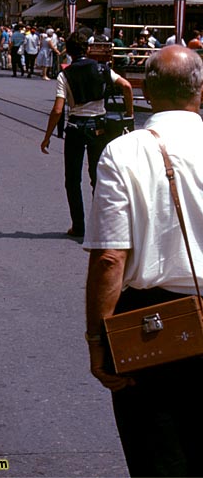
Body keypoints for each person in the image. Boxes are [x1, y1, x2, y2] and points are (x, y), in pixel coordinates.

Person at [84, 46, 203, 478]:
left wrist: (98, 342)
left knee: (159, 456)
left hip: (152, 325)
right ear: (200, 91)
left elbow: (110, 257)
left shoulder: (124, 152)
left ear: (146, 91)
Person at [41, 31, 133, 238]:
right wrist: (130, 114)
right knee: (97, 177)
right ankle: (100, 223)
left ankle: (78, 226)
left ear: (70, 53)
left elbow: (57, 110)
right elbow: (126, 86)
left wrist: (47, 137)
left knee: (72, 179)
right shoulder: (102, 68)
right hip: (99, 126)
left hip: (75, 127)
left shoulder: (65, 74)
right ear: (88, 49)